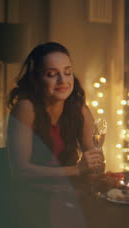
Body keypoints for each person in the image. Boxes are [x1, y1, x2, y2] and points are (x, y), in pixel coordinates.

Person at [7, 42, 103, 178]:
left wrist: (96, 164)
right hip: (32, 194)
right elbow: (21, 170)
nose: (63, 80)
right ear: (35, 79)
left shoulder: (78, 108)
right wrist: (77, 170)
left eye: (68, 72)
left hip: (71, 192)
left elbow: (96, 163)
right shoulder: (26, 108)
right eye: (51, 74)